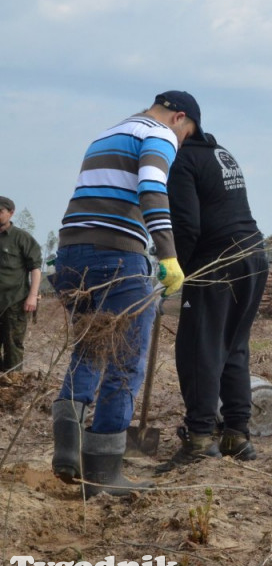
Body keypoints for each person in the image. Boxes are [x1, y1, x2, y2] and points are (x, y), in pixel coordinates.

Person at [50, 90, 201, 498]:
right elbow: (153, 188)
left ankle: (68, 447)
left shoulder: (107, 134)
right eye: (186, 135)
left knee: (90, 348)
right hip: (116, 258)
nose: (181, 142)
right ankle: (103, 475)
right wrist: (168, 257)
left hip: (69, 255)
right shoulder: (160, 134)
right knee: (123, 362)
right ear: (179, 118)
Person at [158, 131, 269, 471]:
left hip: (216, 263)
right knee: (233, 346)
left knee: (199, 348)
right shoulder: (221, 153)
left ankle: (200, 438)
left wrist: (180, 269)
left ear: (181, 123)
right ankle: (236, 434)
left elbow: (187, 225)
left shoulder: (182, 160)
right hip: (253, 255)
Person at [0, 196, 42, 375]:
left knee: (13, 345)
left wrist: (33, 295)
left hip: (14, 301)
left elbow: (35, 268)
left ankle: (13, 387)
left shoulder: (21, 238)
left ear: (11, 213)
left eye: (0, 212)